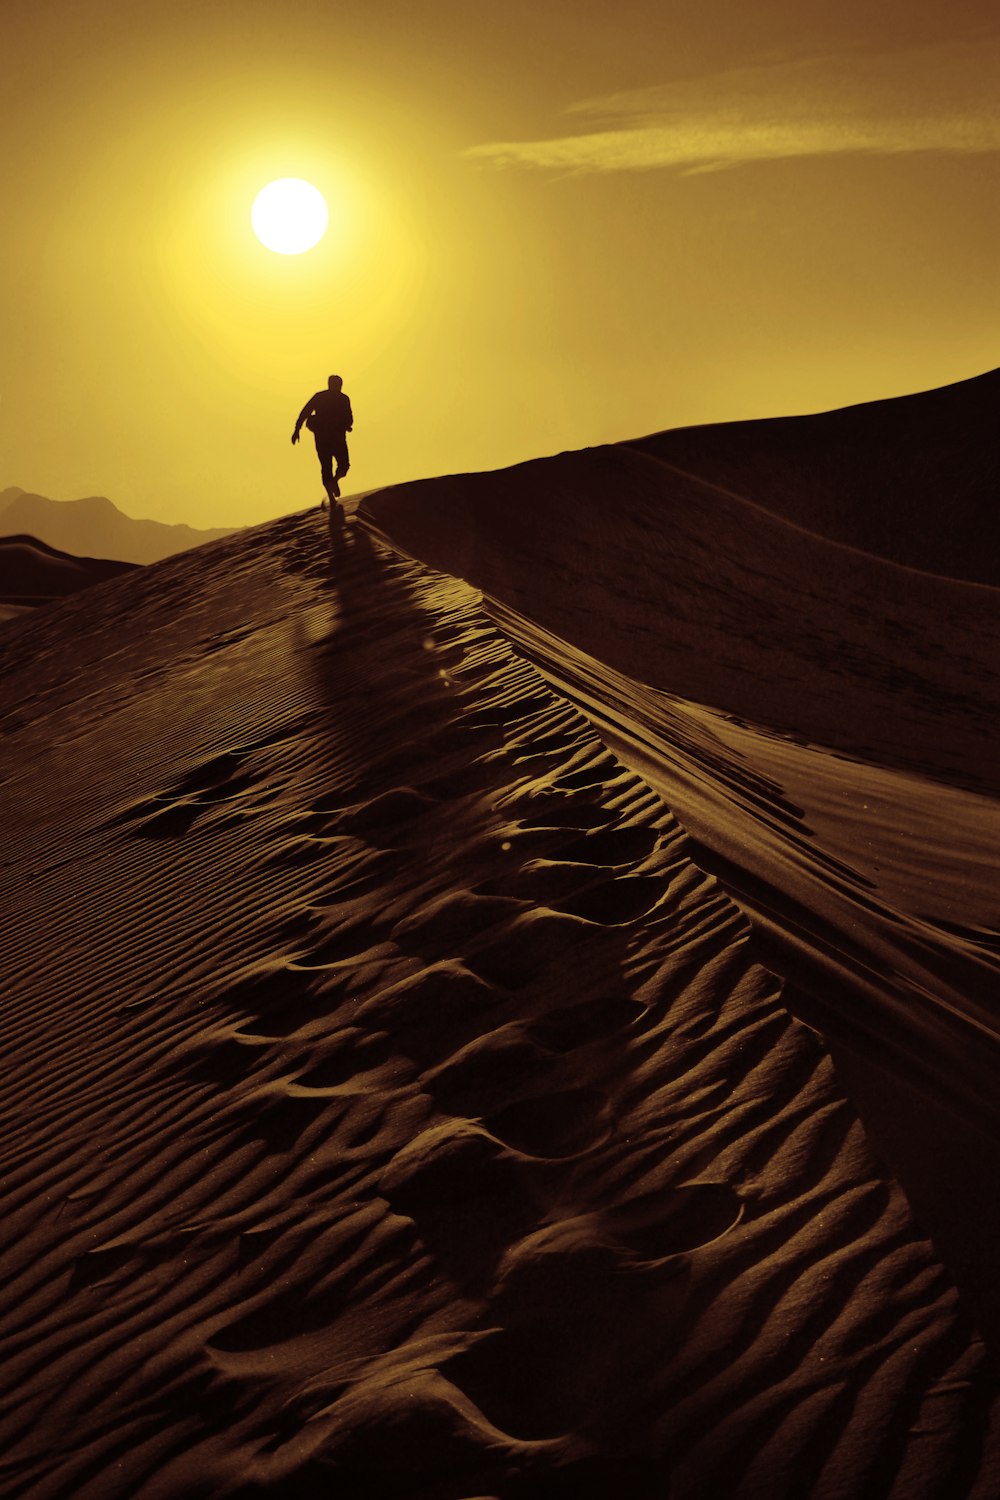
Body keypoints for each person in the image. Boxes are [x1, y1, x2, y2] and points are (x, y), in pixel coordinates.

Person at [291, 375, 353, 505]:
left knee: (343, 466)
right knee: (327, 467)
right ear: (330, 385)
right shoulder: (322, 397)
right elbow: (305, 412)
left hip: (333, 438)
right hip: (326, 439)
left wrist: (347, 425)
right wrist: (297, 429)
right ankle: (331, 497)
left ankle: (334, 483)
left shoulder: (342, 399)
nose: (337, 387)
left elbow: (349, 417)